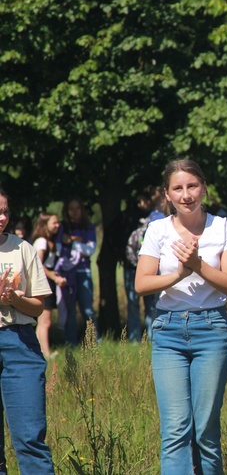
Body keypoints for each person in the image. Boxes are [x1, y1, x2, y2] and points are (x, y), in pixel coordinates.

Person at [135, 159, 227, 473]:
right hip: (167, 331)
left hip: (211, 328)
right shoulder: (157, 230)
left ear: (204, 188)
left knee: (206, 429)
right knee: (175, 430)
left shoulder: (223, 228)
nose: (186, 195)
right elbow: (142, 283)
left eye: (192, 186)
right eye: (177, 188)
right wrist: (179, 274)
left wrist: (197, 265)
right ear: (167, 194)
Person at [0, 189, 56, 473]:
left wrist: (15, 299)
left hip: (19, 343)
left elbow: (37, 307)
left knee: (29, 437)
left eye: (5, 211)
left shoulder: (23, 249)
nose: (2, 217)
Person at [124, 185, 166, 341]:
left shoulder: (153, 218)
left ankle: (137, 338)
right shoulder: (158, 218)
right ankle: (152, 336)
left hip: (135, 265)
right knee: (151, 305)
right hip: (150, 267)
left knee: (141, 305)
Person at [56, 196, 99, 345]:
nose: (74, 212)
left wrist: (72, 242)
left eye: (77, 208)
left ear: (82, 210)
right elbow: (58, 249)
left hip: (83, 272)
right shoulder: (63, 227)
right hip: (67, 273)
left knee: (87, 309)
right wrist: (79, 244)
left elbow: (90, 249)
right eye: (71, 209)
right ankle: (71, 342)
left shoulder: (88, 227)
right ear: (67, 211)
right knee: (70, 310)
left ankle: (94, 341)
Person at [32, 212, 66, 358]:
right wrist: (54, 277)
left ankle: (41, 350)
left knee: (43, 321)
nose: (57, 225)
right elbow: (38, 264)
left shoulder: (49, 241)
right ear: (45, 224)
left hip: (47, 282)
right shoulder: (42, 242)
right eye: (54, 222)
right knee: (45, 321)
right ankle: (46, 353)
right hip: (44, 283)